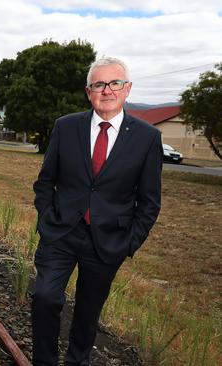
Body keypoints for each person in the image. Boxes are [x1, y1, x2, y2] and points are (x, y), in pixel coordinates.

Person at [32, 57, 163, 365]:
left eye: (114, 83)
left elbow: (149, 201)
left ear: (127, 89)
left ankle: (77, 361)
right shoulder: (66, 127)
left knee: (88, 313)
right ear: (88, 91)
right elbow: (45, 182)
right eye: (99, 84)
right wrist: (46, 219)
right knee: (45, 298)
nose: (107, 90)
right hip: (61, 232)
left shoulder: (147, 138)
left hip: (108, 241)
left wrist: (129, 242)